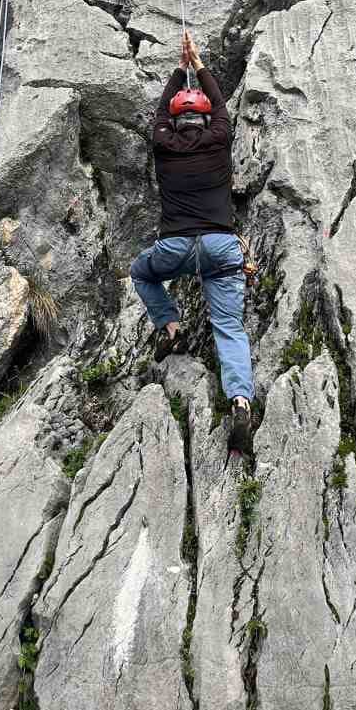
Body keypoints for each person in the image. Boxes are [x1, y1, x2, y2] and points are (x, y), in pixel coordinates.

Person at [131, 32, 255, 453]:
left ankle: (171, 326)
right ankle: (239, 401)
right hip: (220, 246)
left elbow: (157, 117)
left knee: (140, 272)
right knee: (229, 329)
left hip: (176, 247)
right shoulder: (218, 139)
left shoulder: (164, 145)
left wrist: (176, 70)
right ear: (203, 122)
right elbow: (220, 106)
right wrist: (197, 65)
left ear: (175, 122)